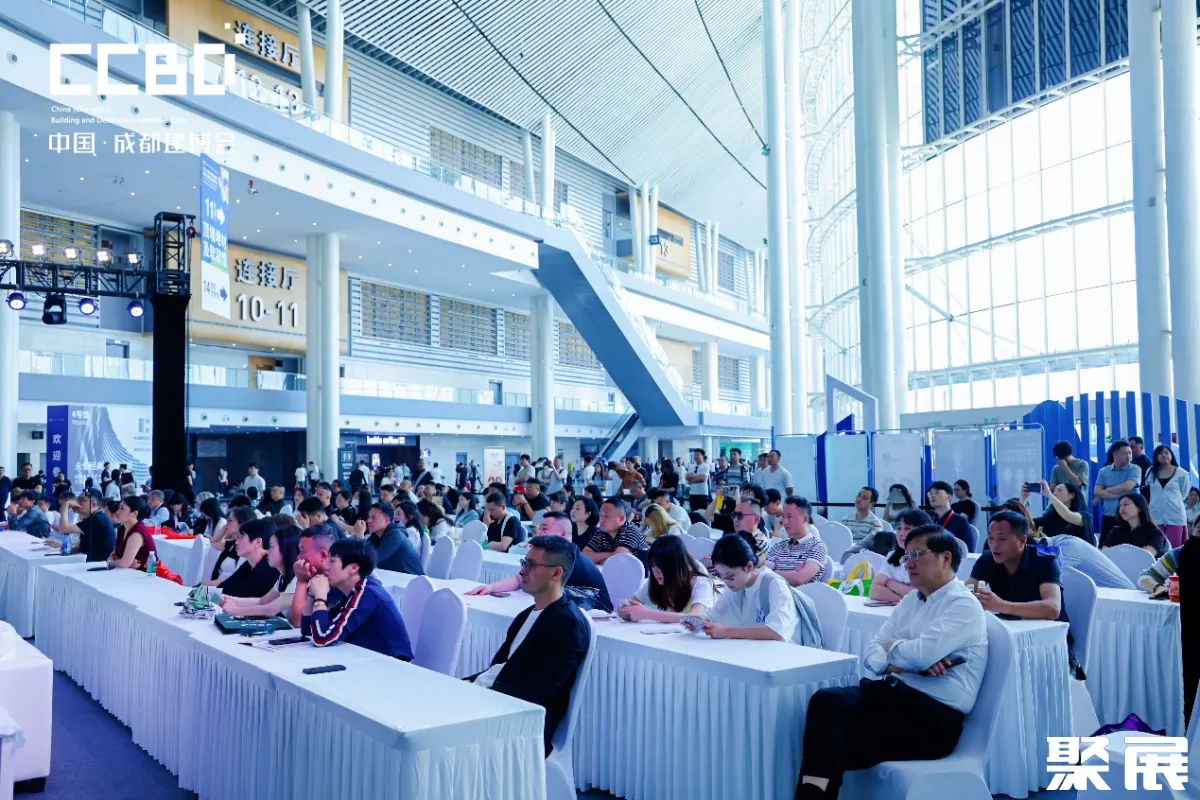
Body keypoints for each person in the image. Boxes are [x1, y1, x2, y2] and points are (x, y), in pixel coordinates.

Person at [794, 527, 987, 800]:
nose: (907, 564)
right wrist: (904, 664)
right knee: (825, 704)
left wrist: (894, 646)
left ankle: (812, 795)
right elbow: (872, 653)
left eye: (917, 555)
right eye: (906, 556)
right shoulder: (911, 600)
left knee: (827, 741)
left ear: (946, 558)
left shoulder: (962, 604)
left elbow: (918, 655)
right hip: (894, 696)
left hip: (933, 718)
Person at [469, 535, 590, 756]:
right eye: (524, 563)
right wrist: (468, 684)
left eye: (531, 565)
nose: (523, 571)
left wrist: (478, 695)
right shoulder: (527, 614)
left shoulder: (567, 625)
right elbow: (500, 668)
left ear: (556, 573)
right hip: (495, 702)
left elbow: (538, 692)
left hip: (520, 726)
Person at [468, 512, 613, 612]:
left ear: (563, 534)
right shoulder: (552, 553)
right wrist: (490, 588)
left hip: (596, 613)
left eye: (544, 529)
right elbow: (520, 578)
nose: (539, 533)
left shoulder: (569, 558)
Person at [300, 538, 412, 659]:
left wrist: (320, 598)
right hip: (368, 660)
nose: (325, 566)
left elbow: (322, 637)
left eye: (332, 561)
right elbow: (309, 631)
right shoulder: (352, 592)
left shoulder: (367, 593)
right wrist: (312, 595)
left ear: (353, 568)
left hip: (392, 665)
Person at [703, 532, 822, 646]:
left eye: (730, 576)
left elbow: (776, 632)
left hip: (784, 653)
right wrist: (698, 621)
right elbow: (713, 616)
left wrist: (726, 631)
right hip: (757, 650)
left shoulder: (774, 584)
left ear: (749, 566)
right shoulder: (736, 586)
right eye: (721, 576)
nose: (726, 581)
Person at [968, 510, 1065, 622]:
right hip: (1011, 627)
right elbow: (968, 591)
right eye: (990, 538)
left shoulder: (1046, 561)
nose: (994, 545)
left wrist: (1002, 606)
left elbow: (1053, 609)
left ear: (1022, 541)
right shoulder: (988, 559)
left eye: (1002, 539)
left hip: (1049, 630)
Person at [619, 534, 715, 623]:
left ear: (677, 565)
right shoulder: (656, 580)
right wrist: (626, 611)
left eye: (661, 566)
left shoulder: (701, 583)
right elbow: (633, 603)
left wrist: (647, 614)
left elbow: (695, 618)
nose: (656, 571)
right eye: (653, 565)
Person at [219, 526, 302, 617]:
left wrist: (234, 610)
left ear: (285, 550)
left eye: (271, 547)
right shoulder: (282, 577)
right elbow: (262, 601)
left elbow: (270, 610)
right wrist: (230, 599)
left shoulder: (296, 579)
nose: (267, 552)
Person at [764, 497, 828, 585]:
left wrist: (774, 572)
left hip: (802, 593)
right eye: (783, 516)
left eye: (790, 517)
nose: (785, 522)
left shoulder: (817, 546)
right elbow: (763, 573)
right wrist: (792, 574)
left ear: (805, 519)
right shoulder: (778, 546)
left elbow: (800, 579)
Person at [868, 514, 931, 602]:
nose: (901, 533)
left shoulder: (930, 559)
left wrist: (891, 584)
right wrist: (906, 599)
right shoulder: (892, 556)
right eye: (899, 528)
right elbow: (874, 592)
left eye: (907, 528)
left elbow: (925, 595)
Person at [217, 518, 282, 598]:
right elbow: (225, 587)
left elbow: (239, 596)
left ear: (257, 542)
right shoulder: (249, 564)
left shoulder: (269, 569)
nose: (236, 542)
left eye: (241, 537)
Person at [1093, 440, 1142, 546]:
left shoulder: (1135, 469)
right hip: (1109, 516)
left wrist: (1106, 491)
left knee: (1130, 548)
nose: (1128, 456)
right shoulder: (1104, 471)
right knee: (1105, 547)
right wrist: (1118, 494)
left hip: (1130, 517)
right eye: (1124, 453)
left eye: (1130, 453)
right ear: (1114, 454)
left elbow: (1127, 487)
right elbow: (1096, 491)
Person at [356, 501, 424, 574]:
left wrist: (360, 535)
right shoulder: (376, 534)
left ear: (387, 521)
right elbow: (361, 556)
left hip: (411, 577)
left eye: (374, 518)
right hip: (393, 575)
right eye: (369, 517)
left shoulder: (396, 534)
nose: (368, 520)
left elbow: (371, 560)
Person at [1143, 444, 1190, 548]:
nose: (1164, 455)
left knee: (1175, 546)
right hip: (1155, 513)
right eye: (1160, 453)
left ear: (1171, 455)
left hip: (1175, 513)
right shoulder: (1150, 472)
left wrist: (1173, 501)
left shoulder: (1181, 473)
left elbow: (1184, 493)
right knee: (1157, 545)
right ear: (1156, 457)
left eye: (1166, 453)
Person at [54, 488, 115, 562]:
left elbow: (63, 529)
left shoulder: (97, 519)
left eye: (82, 500)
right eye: (77, 499)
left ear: (93, 504)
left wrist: (65, 506)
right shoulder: (95, 517)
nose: (77, 502)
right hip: (92, 561)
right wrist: (74, 549)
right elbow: (87, 544)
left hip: (98, 564)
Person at [583, 498, 648, 565]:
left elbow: (618, 561)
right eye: (601, 515)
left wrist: (600, 560)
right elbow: (585, 556)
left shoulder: (630, 530)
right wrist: (612, 554)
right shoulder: (602, 532)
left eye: (606, 516)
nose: (601, 520)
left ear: (621, 518)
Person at [1025, 479, 1094, 543]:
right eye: (1054, 491)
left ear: (1072, 495)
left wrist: (1049, 494)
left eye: (1059, 490)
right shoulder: (1051, 519)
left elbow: (1067, 515)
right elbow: (1026, 524)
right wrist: (1023, 499)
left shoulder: (1085, 517)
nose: (1054, 493)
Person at [1104, 492, 1169, 558]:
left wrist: (1118, 553)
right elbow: (1105, 553)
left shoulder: (1155, 533)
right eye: (1120, 506)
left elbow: (1146, 557)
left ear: (1139, 507)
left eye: (1126, 504)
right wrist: (1138, 552)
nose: (1121, 508)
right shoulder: (1116, 531)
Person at [204, 506, 258, 584]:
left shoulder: (249, 548)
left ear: (242, 523)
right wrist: (227, 527)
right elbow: (213, 542)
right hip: (217, 585)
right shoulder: (231, 544)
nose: (226, 524)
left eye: (230, 521)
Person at [108, 495, 158, 570]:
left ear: (134, 513)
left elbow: (124, 563)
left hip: (146, 574)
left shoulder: (137, 533)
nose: (117, 512)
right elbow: (113, 555)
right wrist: (116, 561)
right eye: (118, 508)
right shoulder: (122, 528)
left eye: (122, 509)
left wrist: (111, 563)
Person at [926, 481, 972, 552]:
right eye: (930, 494)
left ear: (949, 497)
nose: (933, 496)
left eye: (938, 493)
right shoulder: (928, 520)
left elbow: (967, 550)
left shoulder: (960, 521)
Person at [684, 449, 711, 513]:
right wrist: (698, 476)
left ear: (702, 456)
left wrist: (692, 480)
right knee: (693, 512)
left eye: (698, 454)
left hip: (702, 493)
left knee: (702, 513)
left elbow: (702, 479)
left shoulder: (705, 466)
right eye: (695, 455)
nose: (695, 456)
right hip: (692, 493)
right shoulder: (692, 466)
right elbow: (687, 477)